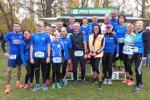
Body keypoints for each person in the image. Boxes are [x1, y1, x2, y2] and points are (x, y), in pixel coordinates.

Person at [1, 23, 23, 94]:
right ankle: (8, 86)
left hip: (19, 55)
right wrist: (4, 52)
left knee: (19, 69)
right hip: (12, 56)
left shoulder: (21, 35)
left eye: (18, 27)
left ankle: (18, 82)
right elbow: (3, 43)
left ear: (20, 28)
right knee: (9, 70)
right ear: (13, 28)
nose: (16, 28)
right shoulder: (9, 34)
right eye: (15, 27)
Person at [30, 22, 50, 91]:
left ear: (43, 27)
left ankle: (44, 84)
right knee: (37, 70)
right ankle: (37, 84)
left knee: (44, 70)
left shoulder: (46, 36)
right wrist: (31, 57)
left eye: (40, 26)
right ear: (36, 27)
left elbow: (48, 46)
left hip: (44, 56)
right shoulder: (33, 36)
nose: (39, 27)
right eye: (38, 26)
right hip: (35, 57)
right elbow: (31, 46)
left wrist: (48, 57)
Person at [88, 24, 105, 88]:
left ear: (99, 29)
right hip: (91, 54)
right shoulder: (90, 36)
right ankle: (94, 80)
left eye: (97, 28)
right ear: (93, 29)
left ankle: (100, 82)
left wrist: (97, 53)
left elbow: (103, 46)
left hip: (98, 55)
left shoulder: (102, 36)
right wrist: (89, 52)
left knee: (97, 67)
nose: (96, 29)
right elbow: (88, 45)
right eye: (95, 28)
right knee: (94, 68)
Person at [132, 21, 147, 93]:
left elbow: (147, 44)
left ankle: (138, 86)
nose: (138, 27)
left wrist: (145, 55)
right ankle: (140, 83)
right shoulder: (137, 33)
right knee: (137, 69)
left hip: (141, 54)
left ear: (142, 26)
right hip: (136, 53)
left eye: (139, 26)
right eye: (137, 26)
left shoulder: (144, 33)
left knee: (138, 69)